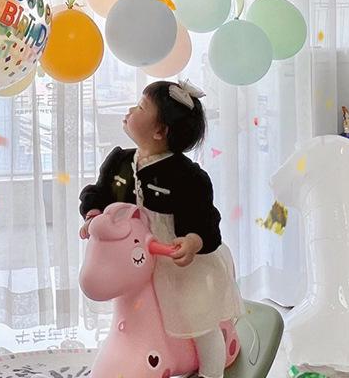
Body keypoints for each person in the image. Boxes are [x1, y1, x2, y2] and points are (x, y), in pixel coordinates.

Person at [79, 79, 243, 378]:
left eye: (141, 106)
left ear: (159, 131)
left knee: (197, 314)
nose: (131, 109)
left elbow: (206, 221)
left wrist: (192, 242)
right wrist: (92, 214)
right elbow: (98, 193)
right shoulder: (119, 161)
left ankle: (211, 369)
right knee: (133, 308)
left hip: (175, 260)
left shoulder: (189, 176)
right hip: (134, 259)